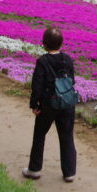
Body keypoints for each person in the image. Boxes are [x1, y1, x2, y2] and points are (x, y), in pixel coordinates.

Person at [23, 27, 77, 183]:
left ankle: (34, 169)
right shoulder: (67, 59)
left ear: (44, 44)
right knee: (66, 136)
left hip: (48, 105)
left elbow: (37, 85)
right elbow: (72, 81)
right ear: (61, 43)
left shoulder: (43, 61)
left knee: (39, 135)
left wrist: (35, 104)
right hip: (67, 104)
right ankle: (69, 172)